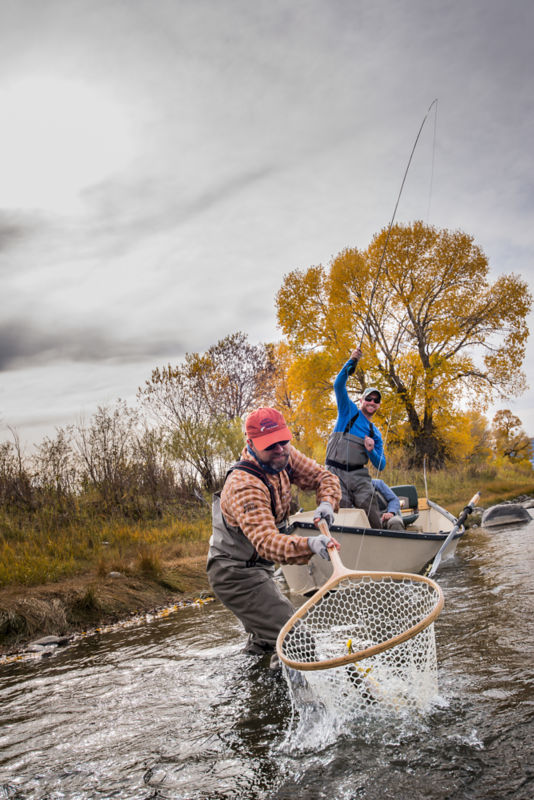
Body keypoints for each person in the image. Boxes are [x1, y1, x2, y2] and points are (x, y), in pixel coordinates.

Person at [207, 407, 342, 667]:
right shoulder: (244, 485)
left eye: (283, 440)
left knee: (267, 642)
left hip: (258, 568)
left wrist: (326, 502)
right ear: (251, 444)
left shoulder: (283, 456)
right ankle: (308, 706)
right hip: (234, 573)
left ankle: (253, 689)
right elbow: (268, 543)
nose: (280, 449)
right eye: (270, 445)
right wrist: (311, 544)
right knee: (297, 640)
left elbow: (325, 477)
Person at [325, 347, 386, 529]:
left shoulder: (375, 433)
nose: (372, 403)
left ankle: (381, 541)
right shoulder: (348, 411)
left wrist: (371, 450)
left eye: (376, 400)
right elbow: (338, 385)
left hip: (359, 476)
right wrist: (352, 361)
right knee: (342, 515)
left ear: (378, 405)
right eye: (369, 398)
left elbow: (381, 465)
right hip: (336, 473)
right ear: (361, 400)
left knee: (371, 511)